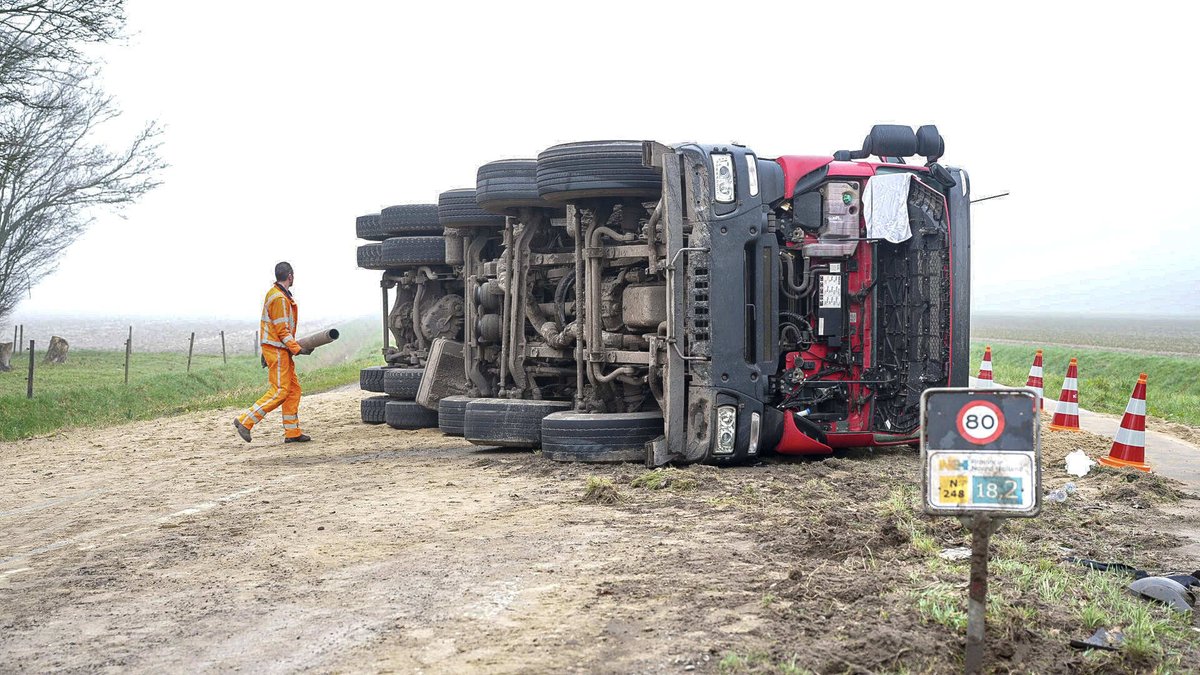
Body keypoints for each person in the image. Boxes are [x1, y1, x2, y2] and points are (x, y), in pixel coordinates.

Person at [234, 261, 312, 443]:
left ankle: (292, 433)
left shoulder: (277, 295)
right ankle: (245, 422)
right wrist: (298, 349)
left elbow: (271, 328)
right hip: (277, 350)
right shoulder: (279, 298)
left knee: (293, 390)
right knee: (280, 391)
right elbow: (282, 330)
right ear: (290, 276)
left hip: (278, 349)